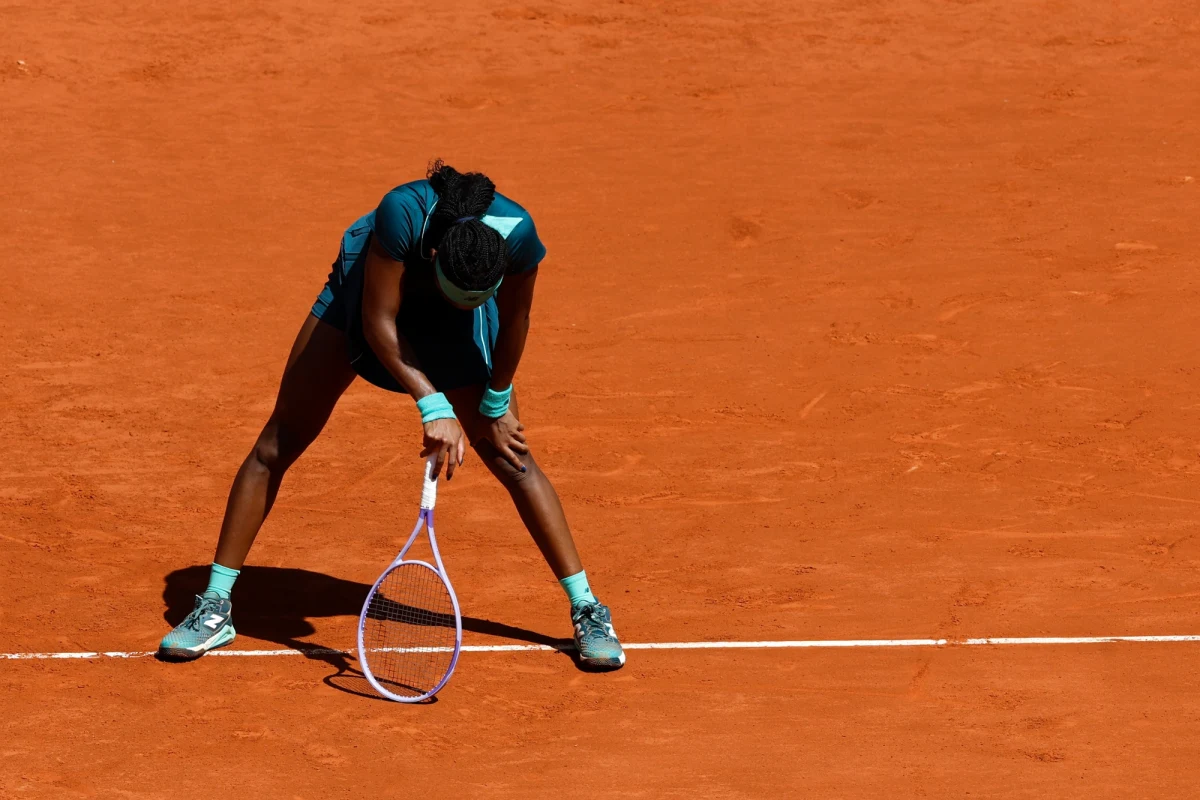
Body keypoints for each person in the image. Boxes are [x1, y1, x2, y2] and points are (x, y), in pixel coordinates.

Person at [159, 161, 625, 670]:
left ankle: (587, 608)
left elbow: (516, 318)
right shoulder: (401, 214)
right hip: (369, 297)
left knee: (513, 459)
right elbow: (378, 320)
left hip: (456, 311)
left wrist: (496, 399)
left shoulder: (517, 236)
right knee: (279, 441)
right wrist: (433, 404)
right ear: (434, 255)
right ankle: (216, 605)